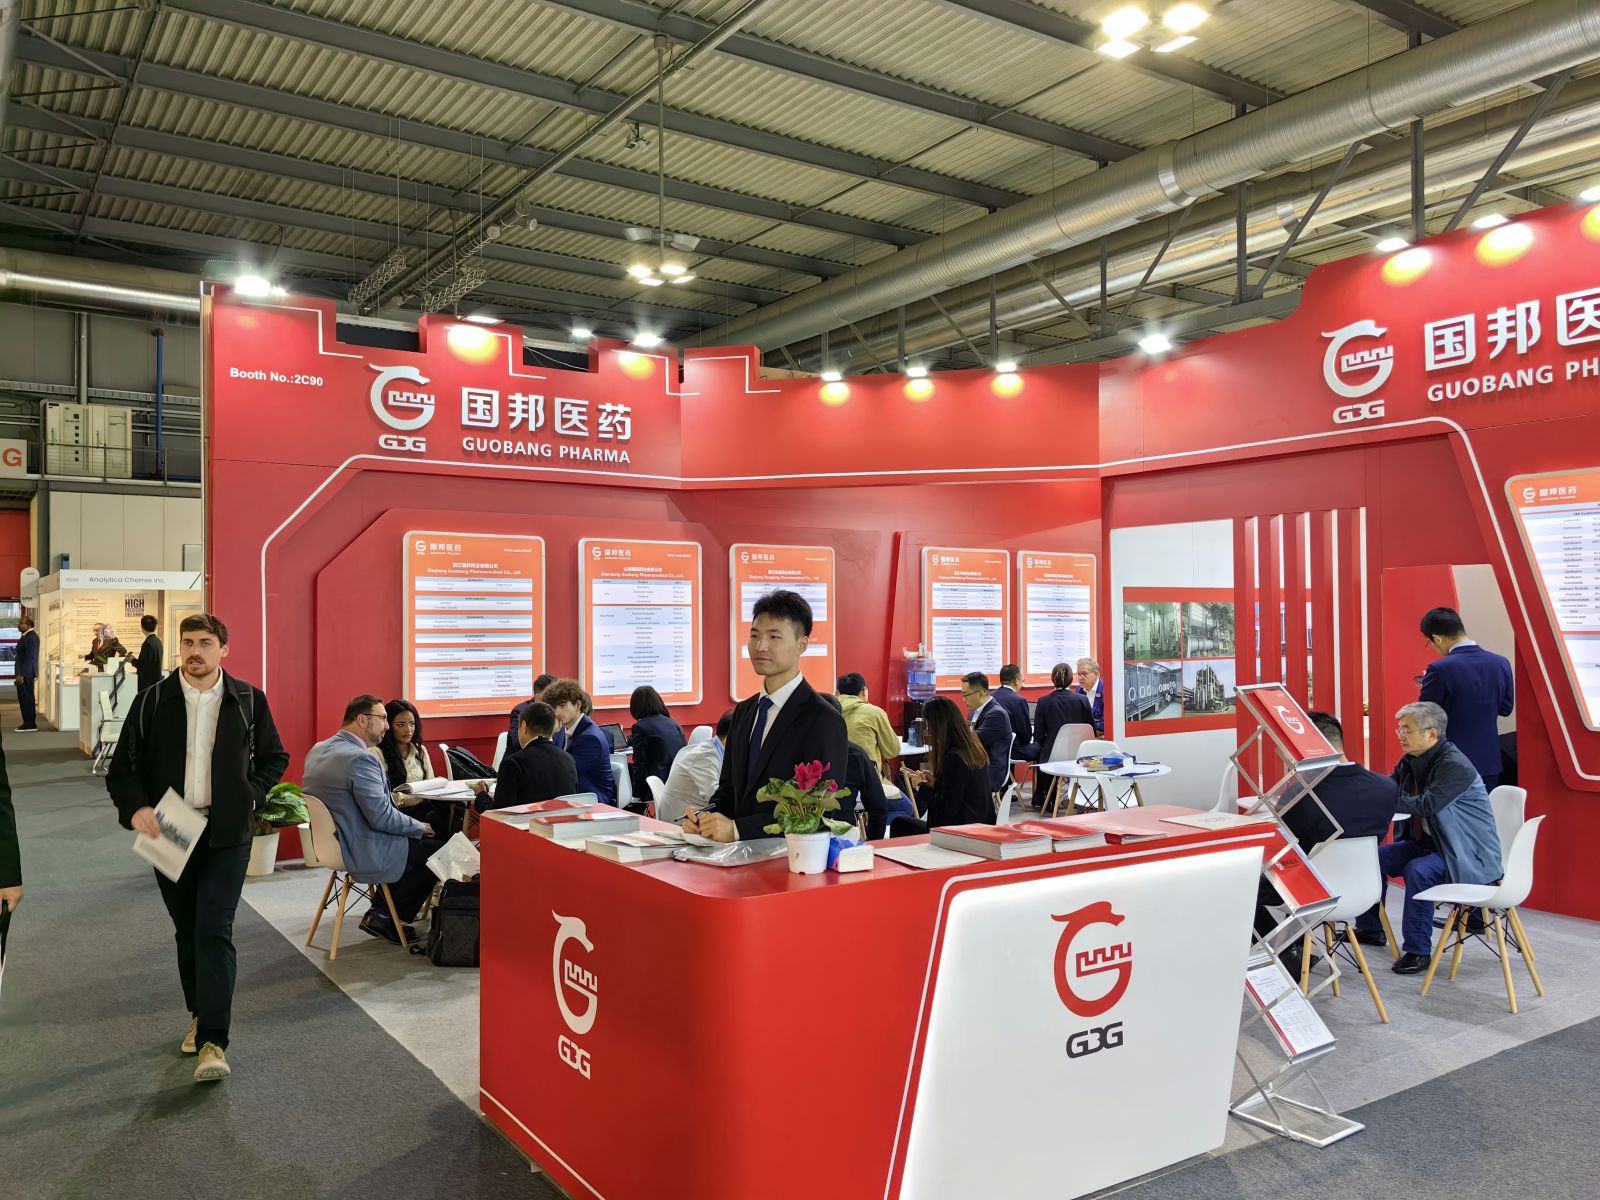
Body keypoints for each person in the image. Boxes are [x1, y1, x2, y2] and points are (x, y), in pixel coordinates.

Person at [107, 613, 289, 1084]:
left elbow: (275, 757)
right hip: (170, 827)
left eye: (205, 643)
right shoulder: (152, 701)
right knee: (187, 930)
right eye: (188, 642)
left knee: (213, 927)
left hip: (227, 830)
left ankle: (213, 1040)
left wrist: (251, 794)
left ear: (223, 649)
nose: (195, 651)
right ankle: (198, 1013)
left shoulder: (248, 699)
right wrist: (137, 808)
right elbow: (121, 770)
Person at [1352, 701, 1504, 975]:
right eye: (1400, 729)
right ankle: (1371, 928)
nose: (1400, 735)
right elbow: (1390, 789)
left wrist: (1382, 799)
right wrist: (1365, 786)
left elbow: (1427, 805)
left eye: (1407, 730)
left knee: (1418, 871)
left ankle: (1418, 951)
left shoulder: (1455, 765)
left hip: (1462, 852)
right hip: (1427, 844)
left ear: (1432, 733)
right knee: (1369, 860)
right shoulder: (1410, 761)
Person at [687, 590, 847, 843]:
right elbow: (729, 790)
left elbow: (820, 810)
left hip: (789, 856)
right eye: (754, 636)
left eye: (774, 636)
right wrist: (705, 818)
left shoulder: (822, 719)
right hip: (735, 857)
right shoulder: (744, 712)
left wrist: (738, 830)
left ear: (802, 645)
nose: (760, 646)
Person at [1252, 712, 1399, 972]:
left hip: (1312, 893)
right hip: (1365, 889)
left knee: (1242, 888)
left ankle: (1288, 953)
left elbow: (1283, 842)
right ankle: (1294, 949)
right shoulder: (1385, 787)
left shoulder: (1303, 793)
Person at [302, 695, 444, 948]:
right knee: (438, 852)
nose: (387, 726)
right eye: (383, 719)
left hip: (329, 845)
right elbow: (382, 817)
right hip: (360, 846)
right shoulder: (361, 759)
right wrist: (420, 827)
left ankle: (381, 911)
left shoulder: (319, 749)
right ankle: (384, 915)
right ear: (362, 720)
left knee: (418, 844)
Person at [1417, 607, 1514, 791]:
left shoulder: (1440, 669)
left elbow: (1424, 717)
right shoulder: (1501, 662)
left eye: (1430, 643)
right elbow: (1506, 709)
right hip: (1489, 762)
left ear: (1437, 638)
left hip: (1451, 763)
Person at [891, 696, 995, 836]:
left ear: (938, 726)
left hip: (959, 833)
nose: (927, 730)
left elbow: (946, 809)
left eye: (928, 725)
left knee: (899, 824)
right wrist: (935, 782)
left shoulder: (954, 758)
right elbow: (959, 791)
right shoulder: (972, 750)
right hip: (980, 827)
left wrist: (921, 786)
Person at [475, 701, 577, 813]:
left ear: (523, 726)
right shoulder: (569, 759)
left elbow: (499, 813)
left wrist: (481, 794)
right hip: (563, 822)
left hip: (525, 823)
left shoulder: (513, 763)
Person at [820, 693, 892, 838]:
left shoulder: (791, 752)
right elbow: (878, 807)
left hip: (797, 838)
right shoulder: (855, 754)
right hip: (843, 836)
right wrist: (874, 842)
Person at [543, 678, 616, 804]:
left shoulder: (591, 738)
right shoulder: (562, 730)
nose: (557, 712)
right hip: (574, 796)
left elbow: (564, 773)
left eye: (562, 705)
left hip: (594, 801)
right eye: (554, 707)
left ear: (577, 705)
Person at [656, 709, 732, 825]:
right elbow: (716, 796)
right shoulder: (705, 756)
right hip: (680, 821)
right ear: (730, 737)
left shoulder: (718, 750)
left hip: (696, 815)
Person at [836, 672, 901, 785]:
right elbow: (893, 751)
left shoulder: (826, 712)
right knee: (902, 797)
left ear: (837, 692)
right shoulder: (874, 713)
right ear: (864, 691)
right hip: (868, 781)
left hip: (833, 782)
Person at [627, 685, 686, 798]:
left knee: (625, 771)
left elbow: (640, 763)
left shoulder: (640, 727)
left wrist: (636, 794)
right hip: (677, 782)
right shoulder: (674, 724)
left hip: (655, 785)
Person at [959, 671, 1012, 795]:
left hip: (989, 771)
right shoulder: (974, 711)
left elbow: (972, 742)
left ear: (981, 693)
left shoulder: (997, 714)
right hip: (976, 765)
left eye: (966, 695)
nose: (963, 699)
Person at [1032, 662, 1095, 762]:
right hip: (1079, 755)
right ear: (1071, 679)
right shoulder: (1083, 700)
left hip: (1050, 756)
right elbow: (1092, 730)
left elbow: (1038, 735)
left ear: (1053, 679)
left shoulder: (1043, 702)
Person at [378, 698, 434, 790]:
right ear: (388, 726)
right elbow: (380, 792)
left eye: (412, 724)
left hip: (423, 799)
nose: (408, 730)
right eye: (401, 725)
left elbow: (431, 782)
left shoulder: (420, 750)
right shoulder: (377, 752)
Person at [992, 664, 1037, 760]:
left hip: (992, 749)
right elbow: (1025, 735)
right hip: (1012, 750)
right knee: (1041, 748)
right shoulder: (1019, 701)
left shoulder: (990, 697)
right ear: (1016, 681)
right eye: (1022, 680)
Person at [507, 673, 557, 747]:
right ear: (537, 695)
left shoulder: (558, 710)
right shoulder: (520, 711)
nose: (553, 699)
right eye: (549, 695)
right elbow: (518, 743)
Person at [14, 615, 39, 732]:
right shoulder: (26, 636)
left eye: (21, 623)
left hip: (26, 673)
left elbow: (30, 657)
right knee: (24, 698)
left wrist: (22, 674)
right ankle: (28, 722)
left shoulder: (31, 637)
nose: (18, 625)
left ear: (28, 625)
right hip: (24, 672)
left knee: (27, 699)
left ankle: (30, 723)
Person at [1074, 658, 1105, 735]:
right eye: (1078, 674)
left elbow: (1106, 723)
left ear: (1096, 674)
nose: (1080, 678)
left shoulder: (1106, 691)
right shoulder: (1079, 689)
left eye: (1084, 674)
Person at [135, 614, 164, 692]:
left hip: (147, 684)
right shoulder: (158, 641)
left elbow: (143, 665)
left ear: (142, 627)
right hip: (155, 682)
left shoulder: (148, 643)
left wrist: (132, 660)